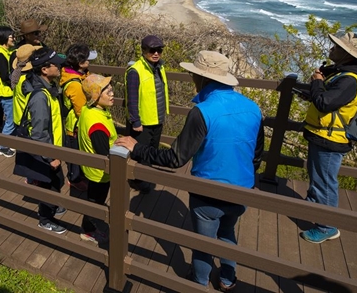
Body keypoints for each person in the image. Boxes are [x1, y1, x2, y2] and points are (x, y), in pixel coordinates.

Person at [116, 51, 264, 290]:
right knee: (227, 231)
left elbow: (175, 158)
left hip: (208, 191)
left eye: (193, 74)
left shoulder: (202, 112)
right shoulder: (253, 108)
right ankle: (227, 279)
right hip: (242, 189)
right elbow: (257, 154)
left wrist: (137, 148)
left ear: (202, 78)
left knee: (203, 242)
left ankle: (199, 281)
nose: (192, 78)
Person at [301, 32, 357, 244]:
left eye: (337, 47)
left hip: (331, 140)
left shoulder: (350, 80)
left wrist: (316, 82)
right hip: (322, 134)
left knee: (325, 182)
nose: (331, 49)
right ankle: (316, 209)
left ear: (347, 55)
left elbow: (324, 102)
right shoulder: (341, 74)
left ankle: (327, 226)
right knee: (317, 177)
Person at [13, 47, 67, 234]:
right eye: (56, 65)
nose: (60, 67)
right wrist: (50, 156)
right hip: (47, 151)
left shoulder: (48, 88)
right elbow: (39, 133)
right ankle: (45, 219)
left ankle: (53, 206)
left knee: (56, 180)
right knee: (47, 184)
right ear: (44, 69)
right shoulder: (40, 96)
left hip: (53, 147)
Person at [124, 34, 169, 193]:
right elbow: (132, 98)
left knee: (151, 150)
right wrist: (136, 121)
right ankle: (138, 181)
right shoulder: (135, 71)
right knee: (139, 152)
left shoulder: (159, 66)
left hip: (157, 118)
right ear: (143, 50)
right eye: (152, 50)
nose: (156, 53)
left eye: (159, 50)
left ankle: (145, 177)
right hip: (143, 122)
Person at [77, 74, 116, 244]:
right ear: (95, 97)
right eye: (106, 91)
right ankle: (88, 230)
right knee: (95, 201)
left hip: (91, 169)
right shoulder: (97, 125)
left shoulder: (89, 109)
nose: (112, 93)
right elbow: (104, 154)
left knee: (94, 199)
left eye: (111, 88)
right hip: (100, 173)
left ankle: (91, 223)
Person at [60, 44, 98, 191]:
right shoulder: (74, 84)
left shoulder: (79, 74)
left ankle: (78, 175)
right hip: (75, 125)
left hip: (78, 123)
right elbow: (81, 110)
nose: (90, 61)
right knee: (76, 154)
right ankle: (74, 179)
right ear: (80, 63)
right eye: (88, 59)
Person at [0, 26, 16, 157]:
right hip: (6, 93)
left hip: (8, 91)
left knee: (10, 119)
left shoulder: (6, 51)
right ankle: (2, 147)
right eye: (12, 36)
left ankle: (7, 142)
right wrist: (15, 81)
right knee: (10, 120)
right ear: (5, 37)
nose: (14, 38)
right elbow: (4, 76)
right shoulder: (1, 54)